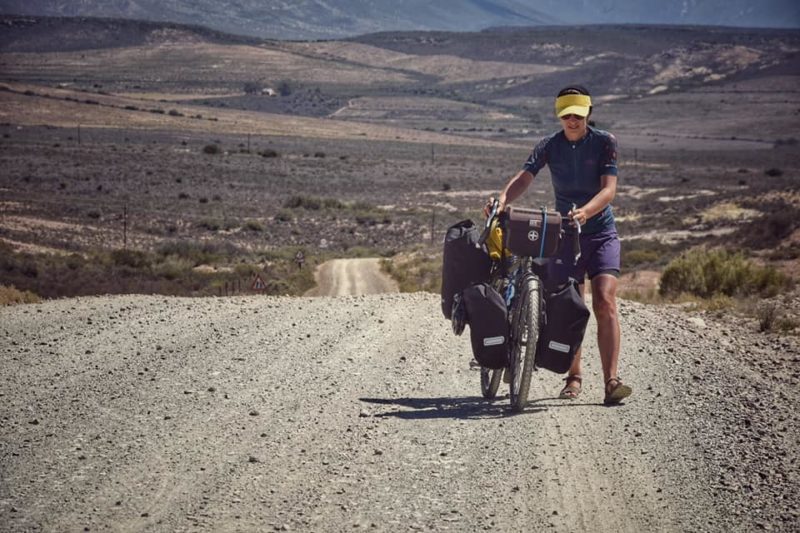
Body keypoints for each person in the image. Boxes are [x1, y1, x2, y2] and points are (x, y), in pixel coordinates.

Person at [488, 85, 632, 405]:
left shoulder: (605, 142)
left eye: (578, 114)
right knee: (571, 306)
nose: (572, 120)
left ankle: (611, 380)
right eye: (566, 114)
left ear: (588, 113)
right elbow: (525, 177)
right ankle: (574, 377)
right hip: (566, 236)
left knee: (605, 301)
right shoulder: (549, 145)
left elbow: (609, 190)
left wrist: (586, 211)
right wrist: (502, 199)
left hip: (600, 233)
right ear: (559, 115)